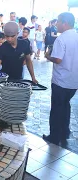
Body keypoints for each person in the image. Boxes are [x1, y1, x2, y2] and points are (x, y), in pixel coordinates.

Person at [43, 12, 78, 145]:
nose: (56, 24)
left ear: (65, 23)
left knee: (57, 108)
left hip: (61, 81)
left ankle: (54, 137)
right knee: (66, 106)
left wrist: (47, 56)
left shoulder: (61, 38)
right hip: (73, 82)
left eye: (58, 21)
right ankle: (64, 133)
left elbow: (58, 59)